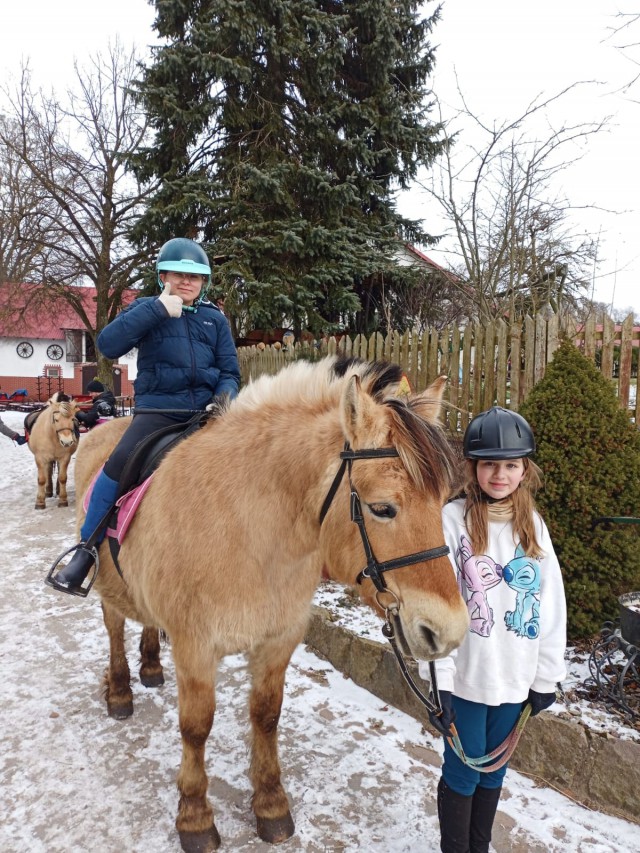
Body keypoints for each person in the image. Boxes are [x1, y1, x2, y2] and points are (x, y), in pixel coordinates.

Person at [46, 237, 241, 597]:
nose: (186, 281)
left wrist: (224, 399)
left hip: (208, 415)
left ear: (205, 282)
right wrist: (157, 310)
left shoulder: (215, 320)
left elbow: (230, 370)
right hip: (159, 412)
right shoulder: (148, 310)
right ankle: (85, 551)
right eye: (178, 274)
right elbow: (107, 344)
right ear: (162, 276)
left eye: (194, 276)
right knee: (120, 464)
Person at [419, 406, 567, 853]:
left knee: (493, 771)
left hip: (515, 679)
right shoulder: (451, 522)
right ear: (473, 468)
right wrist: (440, 683)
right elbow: (437, 607)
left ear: (525, 469)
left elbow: (550, 603)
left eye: (510, 465)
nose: (499, 474)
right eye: (489, 464)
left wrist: (545, 677)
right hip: (466, 678)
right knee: (463, 771)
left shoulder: (533, 528)